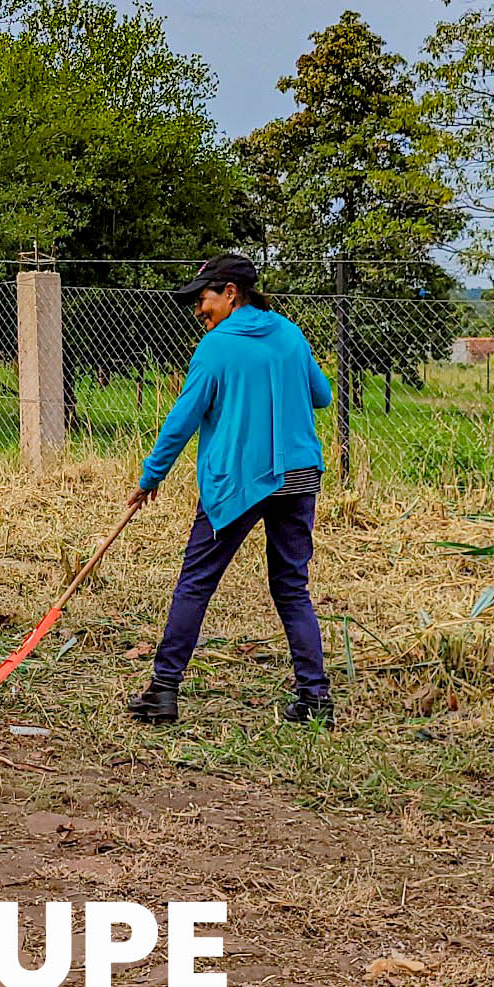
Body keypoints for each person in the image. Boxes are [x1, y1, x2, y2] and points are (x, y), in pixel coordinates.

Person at [127, 253, 337, 728]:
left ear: (230, 292)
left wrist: (150, 477)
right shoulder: (289, 333)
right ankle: (315, 698)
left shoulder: (216, 348)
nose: (198, 310)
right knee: (291, 587)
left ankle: (163, 691)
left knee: (196, 583)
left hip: (239, 481)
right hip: (298, 477)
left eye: (202, 299)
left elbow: (181, 420)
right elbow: (321, 395)